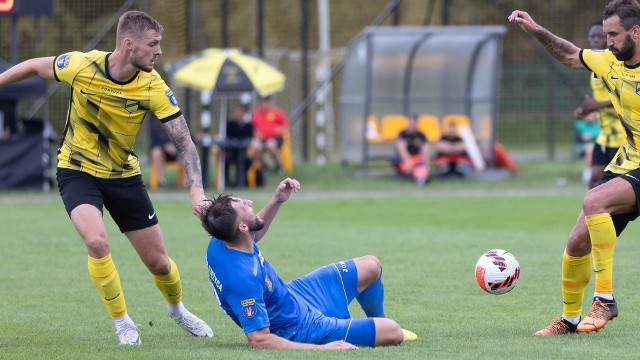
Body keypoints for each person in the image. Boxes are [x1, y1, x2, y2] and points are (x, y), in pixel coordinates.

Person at [0, 10, 213, 344]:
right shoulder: (81, 65)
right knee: (97, 242)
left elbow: (183, 139)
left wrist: (196, 188)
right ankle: (123, 322)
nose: (159, 51)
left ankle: (178, 311)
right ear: (129, 45)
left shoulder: (153, 86)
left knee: (159, 264)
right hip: (77, 169)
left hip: (124, 176)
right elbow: (33, 65)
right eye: (153, 44)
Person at [509, 0, 640, 335]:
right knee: (577, 242)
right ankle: (569, 320)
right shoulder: (609, 61)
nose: (607, 41)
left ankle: (605, 300)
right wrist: (537, 31)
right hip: (628, 160)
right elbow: (570, 53)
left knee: (593, 201)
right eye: (606, 34)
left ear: (636, 32)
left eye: (614, 35)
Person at [199, 178, 418, 349]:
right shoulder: (242, 279)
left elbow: (251, 235)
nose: (249, 202)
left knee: (371, 265)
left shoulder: (222, 240)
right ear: (242, 228)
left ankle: (375, 322)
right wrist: (326, 350)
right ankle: (368, 328)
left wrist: (277, 199)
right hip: (300, 328)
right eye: (243, 206)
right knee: (394, 332)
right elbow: (259, 340)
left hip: (295, 295)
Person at [573, 20, 624, 189]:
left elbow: (625, 97)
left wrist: (598, 105)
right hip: (604, 136)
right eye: (591, 36)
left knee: (622, 187)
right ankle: (597, 214)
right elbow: (600, 99)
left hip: (623, 137)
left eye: (599, 36)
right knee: (594, 181)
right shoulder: (595, 66)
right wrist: (588, 110)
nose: (595, 40)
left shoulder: (618, 64)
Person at [251, 95, 289, 176]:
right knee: (255, 146)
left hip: (276, 138)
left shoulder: (277, 113)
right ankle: (264, 166)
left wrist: (279, 130)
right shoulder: (256, 114)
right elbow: (253, 128)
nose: (264, 105)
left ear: (270, 103)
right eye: (262, 103)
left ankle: (279, 166)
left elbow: (285, 126)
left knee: (270, 145)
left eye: (266, 103)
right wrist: (256, 134)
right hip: (262, 139)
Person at [391, 114, 431, 185]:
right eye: (410, 122)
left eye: (414, 122)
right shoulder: (402, 134)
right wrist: (409, 162)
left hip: (416, 158)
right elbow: (401, 148)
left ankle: (421, 176)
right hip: (404, 159)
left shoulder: (421, 135)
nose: (412, 125)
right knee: (410, 167)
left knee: (420, 165)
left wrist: (425, 163)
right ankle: (418, 176)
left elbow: (426, 148)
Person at [225, 103, 254, 187]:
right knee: (225, 161)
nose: (237, 115)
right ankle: (227, 181)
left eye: (239, 113)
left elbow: (250, 138)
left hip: (244, 153)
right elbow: (227, 138)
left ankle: (242, 181)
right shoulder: (230, 125)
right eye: (236, 113)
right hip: (231, 152)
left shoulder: (248, 126)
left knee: (247, 161)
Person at [149, 112, 180, 187]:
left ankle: (188, 181)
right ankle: (161, 180)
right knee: (156, 152)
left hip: (177, 155)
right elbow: (153, 144)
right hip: (163, 156)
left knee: (186, 151)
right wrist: (165, 147)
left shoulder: (178, 129)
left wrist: (176, 147)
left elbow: (188, 140)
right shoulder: (156, 131)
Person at [573, 111, 600, 185]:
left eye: (592, 114)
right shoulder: (579, 125)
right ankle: (587, 175)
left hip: (598, 146)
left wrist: (591, 137)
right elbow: (578, 139)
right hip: (583, 147)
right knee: (589, 149)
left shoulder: (600, 124)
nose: (590, 116)